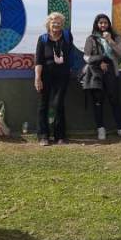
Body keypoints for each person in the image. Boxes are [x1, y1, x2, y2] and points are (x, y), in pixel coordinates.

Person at [83, 14, 121, 141]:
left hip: (112, 72)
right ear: (96, 24)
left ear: (109, 24)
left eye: (105, 22)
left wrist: (110, 40)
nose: (103, 25)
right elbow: (86, 56)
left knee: (115, 100)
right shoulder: (91, 38)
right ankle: (101, 129)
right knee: (98, 101)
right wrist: (99, 62)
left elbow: (120, 52)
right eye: (100, 23)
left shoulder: (116, 37)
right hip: (96, 74)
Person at [34, 12, 73, 146]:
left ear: (62, 24)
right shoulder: (43, 39)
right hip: (46, 75)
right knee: (43, 105)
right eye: (53, 22)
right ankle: (43, 136)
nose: (56, 24)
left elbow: (70, 55)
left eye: (58, 22)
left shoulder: (67, 36)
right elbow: (38, 60)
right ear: (48, 24)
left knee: (58, 104)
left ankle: (60, 136)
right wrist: (38, 78)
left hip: (63, 75)